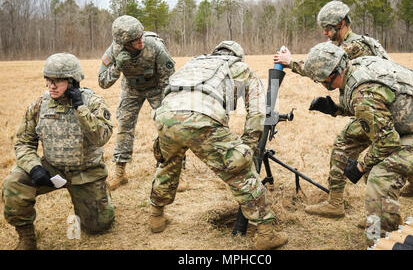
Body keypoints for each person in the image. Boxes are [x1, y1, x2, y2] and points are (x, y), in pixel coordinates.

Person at [273, 1, 413, 219]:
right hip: (389, 106)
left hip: (377, 107)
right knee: (388, 143)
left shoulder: (354, 47)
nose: (325, 32)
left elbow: (321, 68)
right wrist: (337, 109)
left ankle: (335, 203)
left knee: (344, 145)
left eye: (328, 28)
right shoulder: (364, 42)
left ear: (343, 23)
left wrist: (290, 62)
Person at [301, 42, 413, 244]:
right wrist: (336, 108)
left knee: (380, 177)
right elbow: (378, 104)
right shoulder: (357, 66)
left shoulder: (363, 93)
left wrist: (360, 166)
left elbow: (387, 142)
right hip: (411, 120)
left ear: (327, 77)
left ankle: (380, 241)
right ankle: (387, 225)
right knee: (374, 170)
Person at [148, 41, 288, 250]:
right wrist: (248, 147)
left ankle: (156, 216)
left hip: (165, 116)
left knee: (168, 164)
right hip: (202, 117)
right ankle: (266, 233)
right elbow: (258, 112)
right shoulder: (240, 67)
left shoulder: (194, 63)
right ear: (237, 56)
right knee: (240, 172)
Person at [2, 53, 115, 250]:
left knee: (98, 226)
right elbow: (23, 143)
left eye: (58, 80)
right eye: (48, 80)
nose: (51, 86)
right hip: (53, 168)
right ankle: (27, 238)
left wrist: (80, 108)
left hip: (87, 172)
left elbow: (101, 138)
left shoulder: (92, 102)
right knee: (13, 184)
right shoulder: (39, 105)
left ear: (72, 81)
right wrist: (35, 167)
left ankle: (101, 198)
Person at [98, 15, 176, 190]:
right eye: (135, 40)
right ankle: (120, 173)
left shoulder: (154, 46)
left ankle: (171, 171)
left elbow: (169, 78)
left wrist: (165, 107)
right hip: (131, 89)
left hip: (157, 87)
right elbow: (103, 82)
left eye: (141, 36)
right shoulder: (114, 50)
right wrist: (117, 67)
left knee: (168, 126)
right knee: (124, 127)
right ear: (124, 43)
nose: (140, 41)